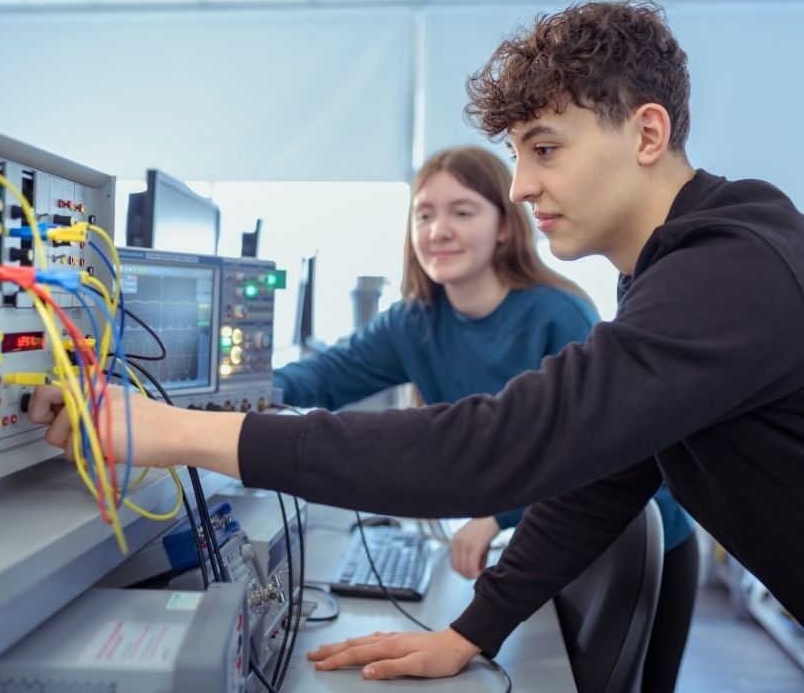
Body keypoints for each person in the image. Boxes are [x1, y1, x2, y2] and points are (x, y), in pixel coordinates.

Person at [31, 0, 804, 684]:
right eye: (516, 157)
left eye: (544, 148)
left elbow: (500, 445)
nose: (522, 186)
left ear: (647, 133)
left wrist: (178, 432)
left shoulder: (730, 273)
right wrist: (471, 631)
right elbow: (604, 476)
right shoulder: (676, 272)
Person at [272, 145, 698, 692]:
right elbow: (321, 377)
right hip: (546, 541)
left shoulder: (557, 314)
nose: (438, 230)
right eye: (424, 214)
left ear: (503, 226)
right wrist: (229, 395)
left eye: (462, 212)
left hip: (636, 537)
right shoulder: (413, 322)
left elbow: (592, 451)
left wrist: (498, 516)